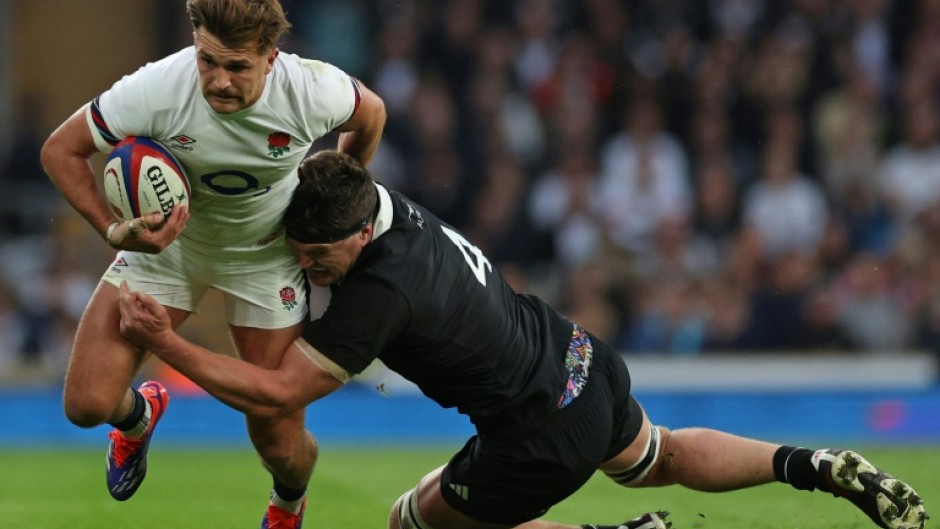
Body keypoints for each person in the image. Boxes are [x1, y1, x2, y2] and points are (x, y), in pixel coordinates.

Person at [117, 151, 928, 529]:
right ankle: (810, 464)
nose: (304, 261)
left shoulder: (377, 297)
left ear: (359, 236)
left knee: (411, 523)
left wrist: (168, 343)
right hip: (579, 357)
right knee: (661, 455)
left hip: (535, 430)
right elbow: (355, 137)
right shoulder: (386, 202)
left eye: (318, 253)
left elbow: (279, 392)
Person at [38, 0, 386, 523]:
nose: (219, 81)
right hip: (168, 252)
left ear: (271, 56)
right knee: (86, 403)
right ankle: (139, 417)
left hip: (265, 257)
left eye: (237, 66)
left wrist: (337, 191)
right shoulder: (157, 88)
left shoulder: (311, 90)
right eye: (208, 61)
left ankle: (287, 502)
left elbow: (372, 113)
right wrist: (113, 230)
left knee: (278, 441)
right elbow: (59, 151)